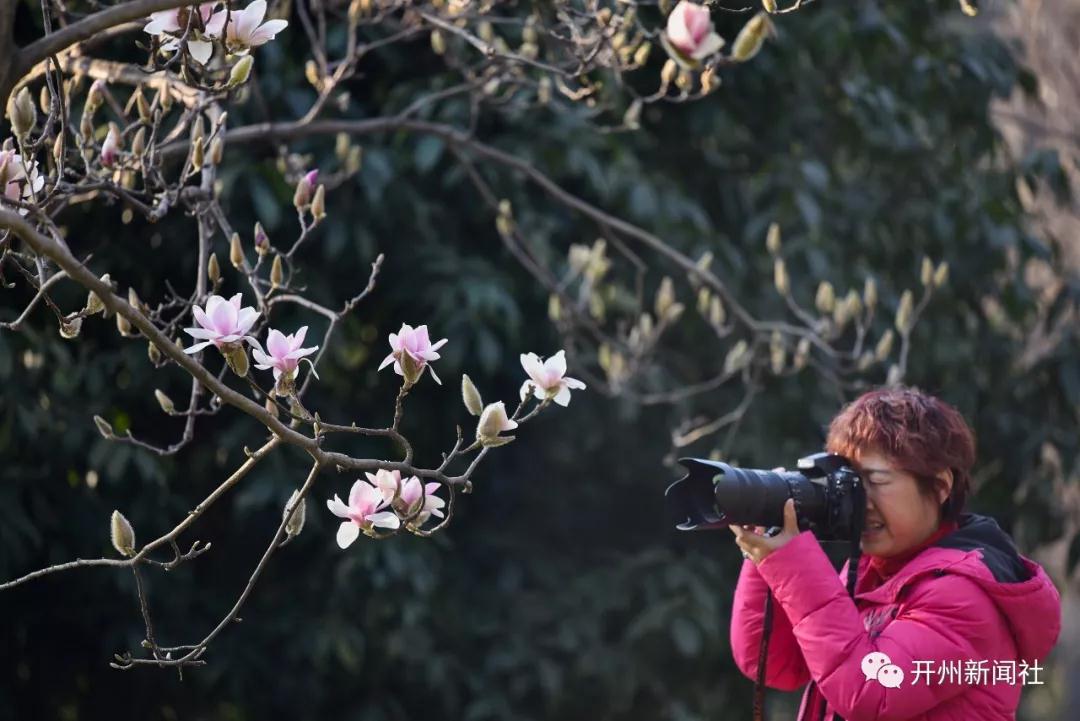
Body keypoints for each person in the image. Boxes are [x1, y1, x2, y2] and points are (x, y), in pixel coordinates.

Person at [729, 386, 1061, 721]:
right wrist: (766, 552)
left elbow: (871, 689)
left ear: (941, 487)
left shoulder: (963, 596)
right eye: (852, 484)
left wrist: (792, 565)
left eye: (876, 480)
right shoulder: (873, 575)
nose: (861, 502)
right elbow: (772, 663)